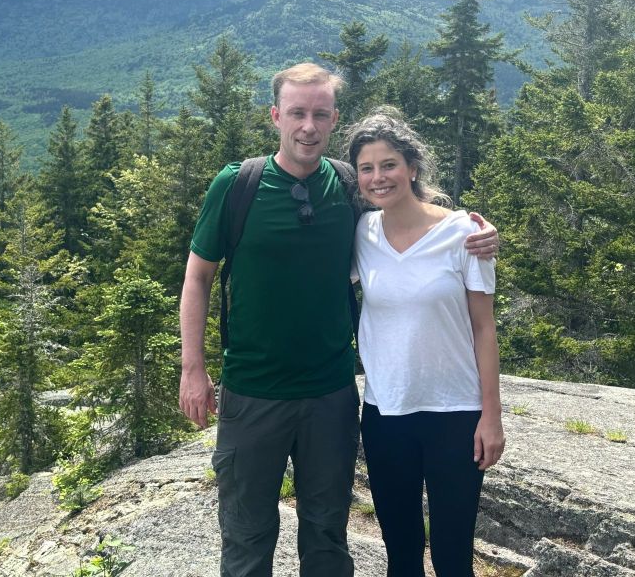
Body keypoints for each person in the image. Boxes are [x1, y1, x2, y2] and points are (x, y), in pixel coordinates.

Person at [178, 63, 497, 577]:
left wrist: (474, 229)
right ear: (275, 115)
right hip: (252, 391)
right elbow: (198, 278)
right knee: (246, 533)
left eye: (320, 114)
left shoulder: (346, 187)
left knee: (327, 533)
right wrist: (193, 368)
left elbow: (403, 211)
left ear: (333, 119)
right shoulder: (237, 185)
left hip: (330, 395)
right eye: (298, 112)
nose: (308, 125)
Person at [346, 108, 505, 577]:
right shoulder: (362, 232)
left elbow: (484, 326)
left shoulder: (466, 234)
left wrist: (491, 417)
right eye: (368, 168)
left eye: (389, 164)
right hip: (385, 412)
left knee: (454, 554)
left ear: (412, 167)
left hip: (455, 413)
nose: (379, 177)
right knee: (401, 551)